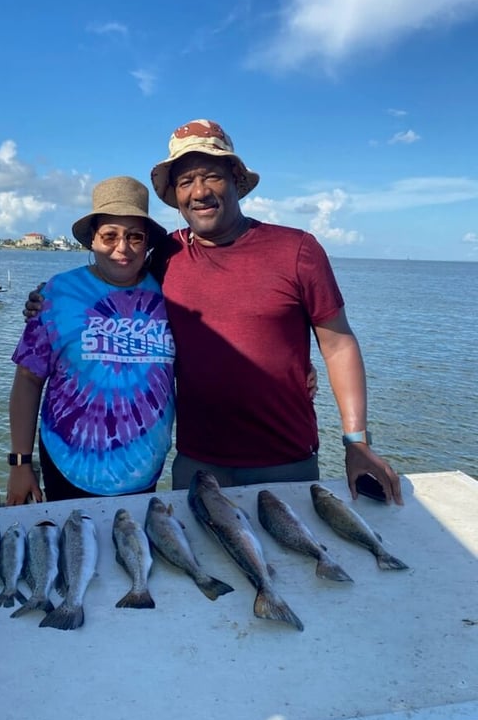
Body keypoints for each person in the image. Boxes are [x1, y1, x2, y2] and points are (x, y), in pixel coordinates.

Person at [25, 121, 402, 505]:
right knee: (196, 563)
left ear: (236, 180)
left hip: (287, 459)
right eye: (186, 181)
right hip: (197, 464)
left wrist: (356, 441)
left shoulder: (297, 250)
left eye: (211, 177)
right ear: (176, 195)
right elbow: (111, 285)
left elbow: (338, 345)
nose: (199, 192)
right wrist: (45, 300)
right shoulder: (165, 257)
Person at [6, 176, 176, 505]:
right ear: (92, 242)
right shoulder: (57, 294)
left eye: (134, 236)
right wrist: (20, 464)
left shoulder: (170, 293)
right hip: (67, 465)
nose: (122, 248)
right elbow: (28, 379)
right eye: (109, 236)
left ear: (147, 242)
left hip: (145, 468)